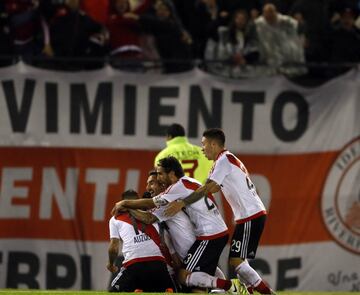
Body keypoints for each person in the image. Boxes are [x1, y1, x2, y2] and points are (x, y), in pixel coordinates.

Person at [164, 128, 276, 295]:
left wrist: (183, 202)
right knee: (238, 261)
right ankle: (251, 291)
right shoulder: (225, 161)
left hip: (250, 215)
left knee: (236, 261)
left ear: (213, 144)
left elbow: (208, 187)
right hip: (248, 215)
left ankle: (266, 293)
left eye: (204, 144)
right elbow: (214, 187)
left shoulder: (224, 160)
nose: (202, 148)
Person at [113, 156, 232, 292]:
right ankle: (229, 289)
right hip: (195, 243)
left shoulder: (169, 198)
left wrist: (126, 205)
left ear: (165, 181)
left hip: (192, 246)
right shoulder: (184, 186)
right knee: (206, 276)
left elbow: (149, 218)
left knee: (188, 281)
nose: (149, 186)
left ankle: (229, 287)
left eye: (154, 181)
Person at [107, 189, 175, 292]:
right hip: (158, 265)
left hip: (133, 265)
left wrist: (111, 264)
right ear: (138, 201)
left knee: (113, 292)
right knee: (168, 289)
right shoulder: (152, 214)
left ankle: (138, 288)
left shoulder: (115, 219)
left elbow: (114, 248)